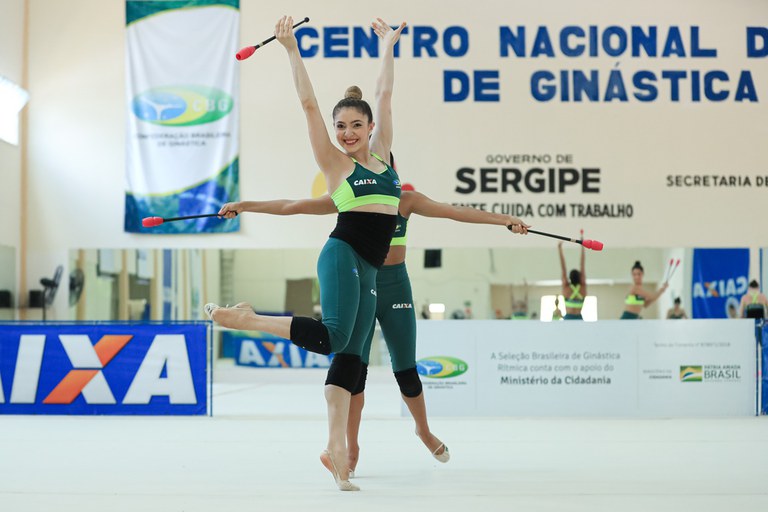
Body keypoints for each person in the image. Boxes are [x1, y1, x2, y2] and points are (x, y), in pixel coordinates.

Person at [205, 16, 406, 492]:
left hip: (369, 267)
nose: (347, 132)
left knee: (352, 359)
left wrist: (388, 47)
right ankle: (248, 320)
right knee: (335, 338)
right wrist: (291, 49)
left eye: (356, 125)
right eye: (341, 127)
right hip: (342, 255)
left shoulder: (384, 156)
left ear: (371, 128)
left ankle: (336, 450)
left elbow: (385, 94)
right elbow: (309, 104)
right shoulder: (336, 164)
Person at [216, 185, 529, 477]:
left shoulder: (404, 199)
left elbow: (453, 211)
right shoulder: (350, 195)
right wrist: (245, 206)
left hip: (395, 286)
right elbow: (294, 205)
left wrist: (504, 220)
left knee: (406, 369)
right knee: (354, 368)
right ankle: (350, 448)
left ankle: (422, 429)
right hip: (362, 283)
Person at [558, 241, 586, 320]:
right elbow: (582, 265)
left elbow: (563, 269)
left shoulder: (566, 288)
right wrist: (582, 247)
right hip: (579, 318)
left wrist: (559, 249)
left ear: (569, 277)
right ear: (580, 277)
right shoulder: (582, 288)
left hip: (568, 317)